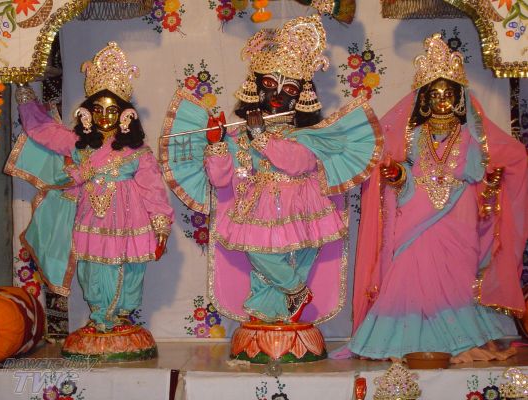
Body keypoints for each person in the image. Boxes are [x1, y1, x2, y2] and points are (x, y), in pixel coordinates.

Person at [161, 14, 382, 324]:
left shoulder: (305, 134)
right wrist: (217, 144)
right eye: (269, 84)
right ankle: (290, 295)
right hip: (258, 206)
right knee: (259, 254)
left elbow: (298, 162)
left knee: (297, 256)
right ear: (256, 89)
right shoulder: (239, 134)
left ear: (301, 95)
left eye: (289, 87)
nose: (278, 94)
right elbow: (221, 179)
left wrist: (261, 137)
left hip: (301, 205)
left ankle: (283, 306)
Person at [331, 34, 528, 363]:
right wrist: (397, 175)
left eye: (448, 94)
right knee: (409, 270)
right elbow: (402, 170)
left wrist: (492, 182)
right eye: (435, 95)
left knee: (459, 276)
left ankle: (461, 339)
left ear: (458, 97)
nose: (442, 101)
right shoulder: (413, 134)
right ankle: (403, 339)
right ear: (424, 99)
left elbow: (486, 170)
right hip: (416, 211)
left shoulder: (470, 134)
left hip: (459, 214)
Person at [6, 42, 174, 334]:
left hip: (130, 222)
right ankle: (100, 317)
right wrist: (24, 92)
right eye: (97, 109)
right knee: (92, 267)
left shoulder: (138, 151)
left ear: (125, 114)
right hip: (91, 218)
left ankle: (121, 318)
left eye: (112, 110)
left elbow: (153, 191)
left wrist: (161, 227)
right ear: (87, 113)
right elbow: (44, 131)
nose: (104, 116)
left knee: (130, 267)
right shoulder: (78, 144)